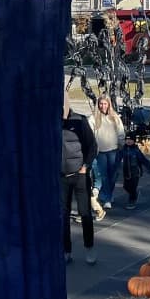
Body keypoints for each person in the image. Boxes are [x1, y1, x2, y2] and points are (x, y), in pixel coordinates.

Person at [62, 91, 98, 264]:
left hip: (80, 175)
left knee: (85, 213)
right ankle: (65, 250)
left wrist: (85, 166)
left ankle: (89, 248)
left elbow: (92, 146)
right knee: (63, 215)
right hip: (61, 177)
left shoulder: (79, 120)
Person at [88, 93, 125, 211]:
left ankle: (107, 194)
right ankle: (107, 198)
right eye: (101, 104)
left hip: (114, 151)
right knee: (103, 176)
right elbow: (90, 135)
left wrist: (122, 144)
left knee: (113, 175)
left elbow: (121, 132)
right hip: (101, 152)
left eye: (105, 103)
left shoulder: (115, 117)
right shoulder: (93, 118)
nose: (103, 106)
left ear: (109, 104)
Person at [121, 134, 150, 209]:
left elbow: (143, 159)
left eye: (130, 140)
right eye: (127, 139)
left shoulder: (136, 150)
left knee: (132, 187)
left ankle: (132, 202)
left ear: (134, 141)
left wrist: (148, 166)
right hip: (126, 172)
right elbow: (118, 158)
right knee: (126, 186)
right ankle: (135, 194)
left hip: (135, 172)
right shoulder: (123, 149)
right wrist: (114, 166)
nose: (128, 141)